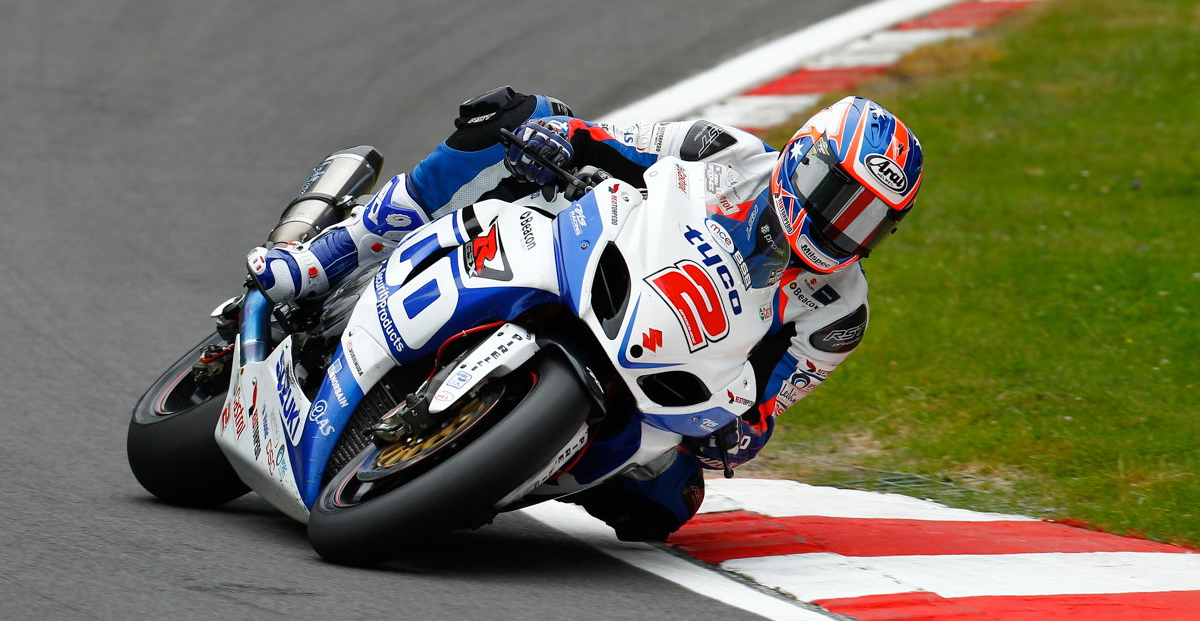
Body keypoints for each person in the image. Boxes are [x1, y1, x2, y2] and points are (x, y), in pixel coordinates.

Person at [247, 86, 924, 541]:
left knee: (669, 506)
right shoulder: (724, 150)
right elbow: (609, 139)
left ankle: (493, 466)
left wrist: (740, 435)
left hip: (662, 373)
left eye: (867, 219)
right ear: (804, 158)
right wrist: (555, 137)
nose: (841, 224)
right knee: (512, 113)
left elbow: (771, 403)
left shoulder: (839, 313)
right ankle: (334, 251)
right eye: (837, 196)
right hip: (591, 254)